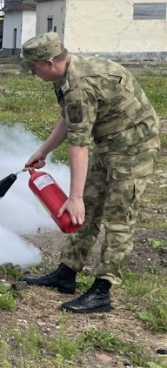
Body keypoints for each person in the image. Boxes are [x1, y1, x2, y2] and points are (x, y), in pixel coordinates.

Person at [21, 32, 160, 314]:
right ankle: (67, 273)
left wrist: (74, 196)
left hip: (134, 146)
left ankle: (102, 290)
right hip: (110, 142)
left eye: (34, 68)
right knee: (88, 207)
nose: (33, 73)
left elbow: (79, 145)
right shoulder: (66, 76)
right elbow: (70, 118)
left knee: (118, 216)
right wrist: (43, 151)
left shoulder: (79, 85)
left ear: (49, 62)